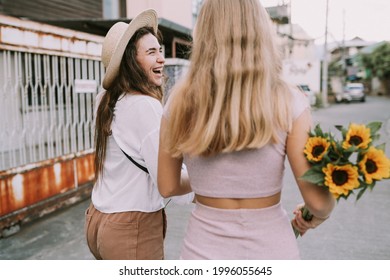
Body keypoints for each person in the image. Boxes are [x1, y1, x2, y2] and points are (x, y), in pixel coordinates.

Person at [157, 0, 335, 260]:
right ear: (260, 31)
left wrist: (208, 181)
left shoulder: (179, 101)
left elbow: (168, 186)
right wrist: (317, 214)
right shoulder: (289, 100)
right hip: (271, 253)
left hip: (202, 253)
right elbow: (318, 202)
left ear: (204, 32)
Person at [84, 9, 193, 260]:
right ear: (131, 61)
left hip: (98, 219)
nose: (161, 59)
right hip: (131, 229)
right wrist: (208, 181)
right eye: (151, 52)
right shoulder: (143, 106)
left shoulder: (106, 100)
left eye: (160, 51)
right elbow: (168, 183)